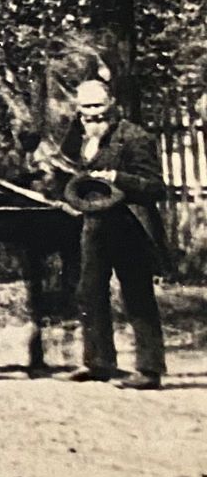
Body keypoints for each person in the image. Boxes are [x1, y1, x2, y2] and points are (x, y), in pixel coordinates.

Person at [52, 79, 167, 390]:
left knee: (137, 294)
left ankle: (149, 368)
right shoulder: (75, 137)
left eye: (97, 106)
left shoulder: (134, 136)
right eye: (85, 107)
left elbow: (156, 186)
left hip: (130, 225)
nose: (91, 114)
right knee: (88, 291)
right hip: (93, 226)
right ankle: (98, 362)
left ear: (112, 103)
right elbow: (64, 171)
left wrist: (118, 177)